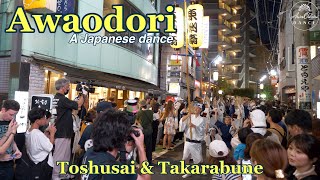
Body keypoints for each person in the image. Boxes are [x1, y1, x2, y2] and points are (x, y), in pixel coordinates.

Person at [81, 110, 150, 180]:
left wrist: (125, 151)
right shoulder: (113, 168)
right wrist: (141, 147)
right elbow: (146, 178)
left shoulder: (90, 152)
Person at [52, 78, 85, 180]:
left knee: (65, 155)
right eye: (67, 87)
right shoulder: (62, 99)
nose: (68, 89)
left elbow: (77, 107)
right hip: (62, 132)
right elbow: (78, 105)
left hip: (64, 131)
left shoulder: (57, 98)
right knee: (60, 155)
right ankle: (56, 175)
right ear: (62, 88)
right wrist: (84, 94)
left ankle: (63, 173)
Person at [25, 107, 56, 179]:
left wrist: (45, 133)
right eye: (43, 117)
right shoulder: (37, 134)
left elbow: (38, 143)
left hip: (34, 164)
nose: (45, 119)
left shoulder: (29, 131)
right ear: (37, 120)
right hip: (43, 165)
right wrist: (52, 133)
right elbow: (50, 147)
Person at [179, 102, 206, 178]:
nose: (196, 109)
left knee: (198, 160)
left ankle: (199, 169)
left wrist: (195, 126)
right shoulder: (190, 116)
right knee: (185, 157)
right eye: (195, 108)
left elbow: (202, 130)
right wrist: (188, 114)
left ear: (200, 110)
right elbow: (182, 121)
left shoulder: (202, 119)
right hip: (188, 141)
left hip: (196, 142)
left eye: (198, 108)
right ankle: (188, 172)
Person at [0, 100, 21, 179]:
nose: (12, 117)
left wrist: (16, 149)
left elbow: (11, 139)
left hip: (8, 162)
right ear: (3, 110)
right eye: (11, 114)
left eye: (15, 115)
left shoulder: (11, 121)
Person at [135, 100, 153, 164]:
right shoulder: (151, 112)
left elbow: (136, 121)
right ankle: (149, 160)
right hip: (149, 130)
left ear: (140, 105)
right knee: (148, 147)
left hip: (142, 131)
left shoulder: (139, 112)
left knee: (140, 146)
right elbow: (151, 120)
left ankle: (138, 160)